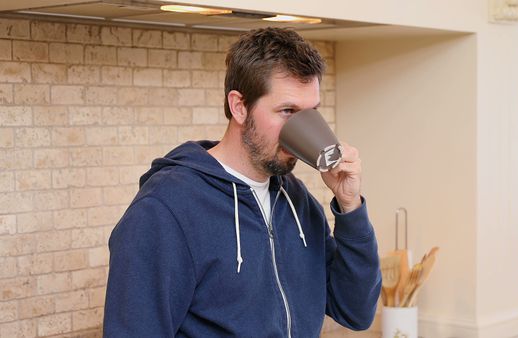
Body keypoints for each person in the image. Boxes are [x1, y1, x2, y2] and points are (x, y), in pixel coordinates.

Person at [103, 27, 381, 337]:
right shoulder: (164, 210)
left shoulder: (294, 199)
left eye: (310, 111)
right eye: (287, 111)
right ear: (239, 106)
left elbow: (355, 310)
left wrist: (350, 206)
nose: (301, 127)